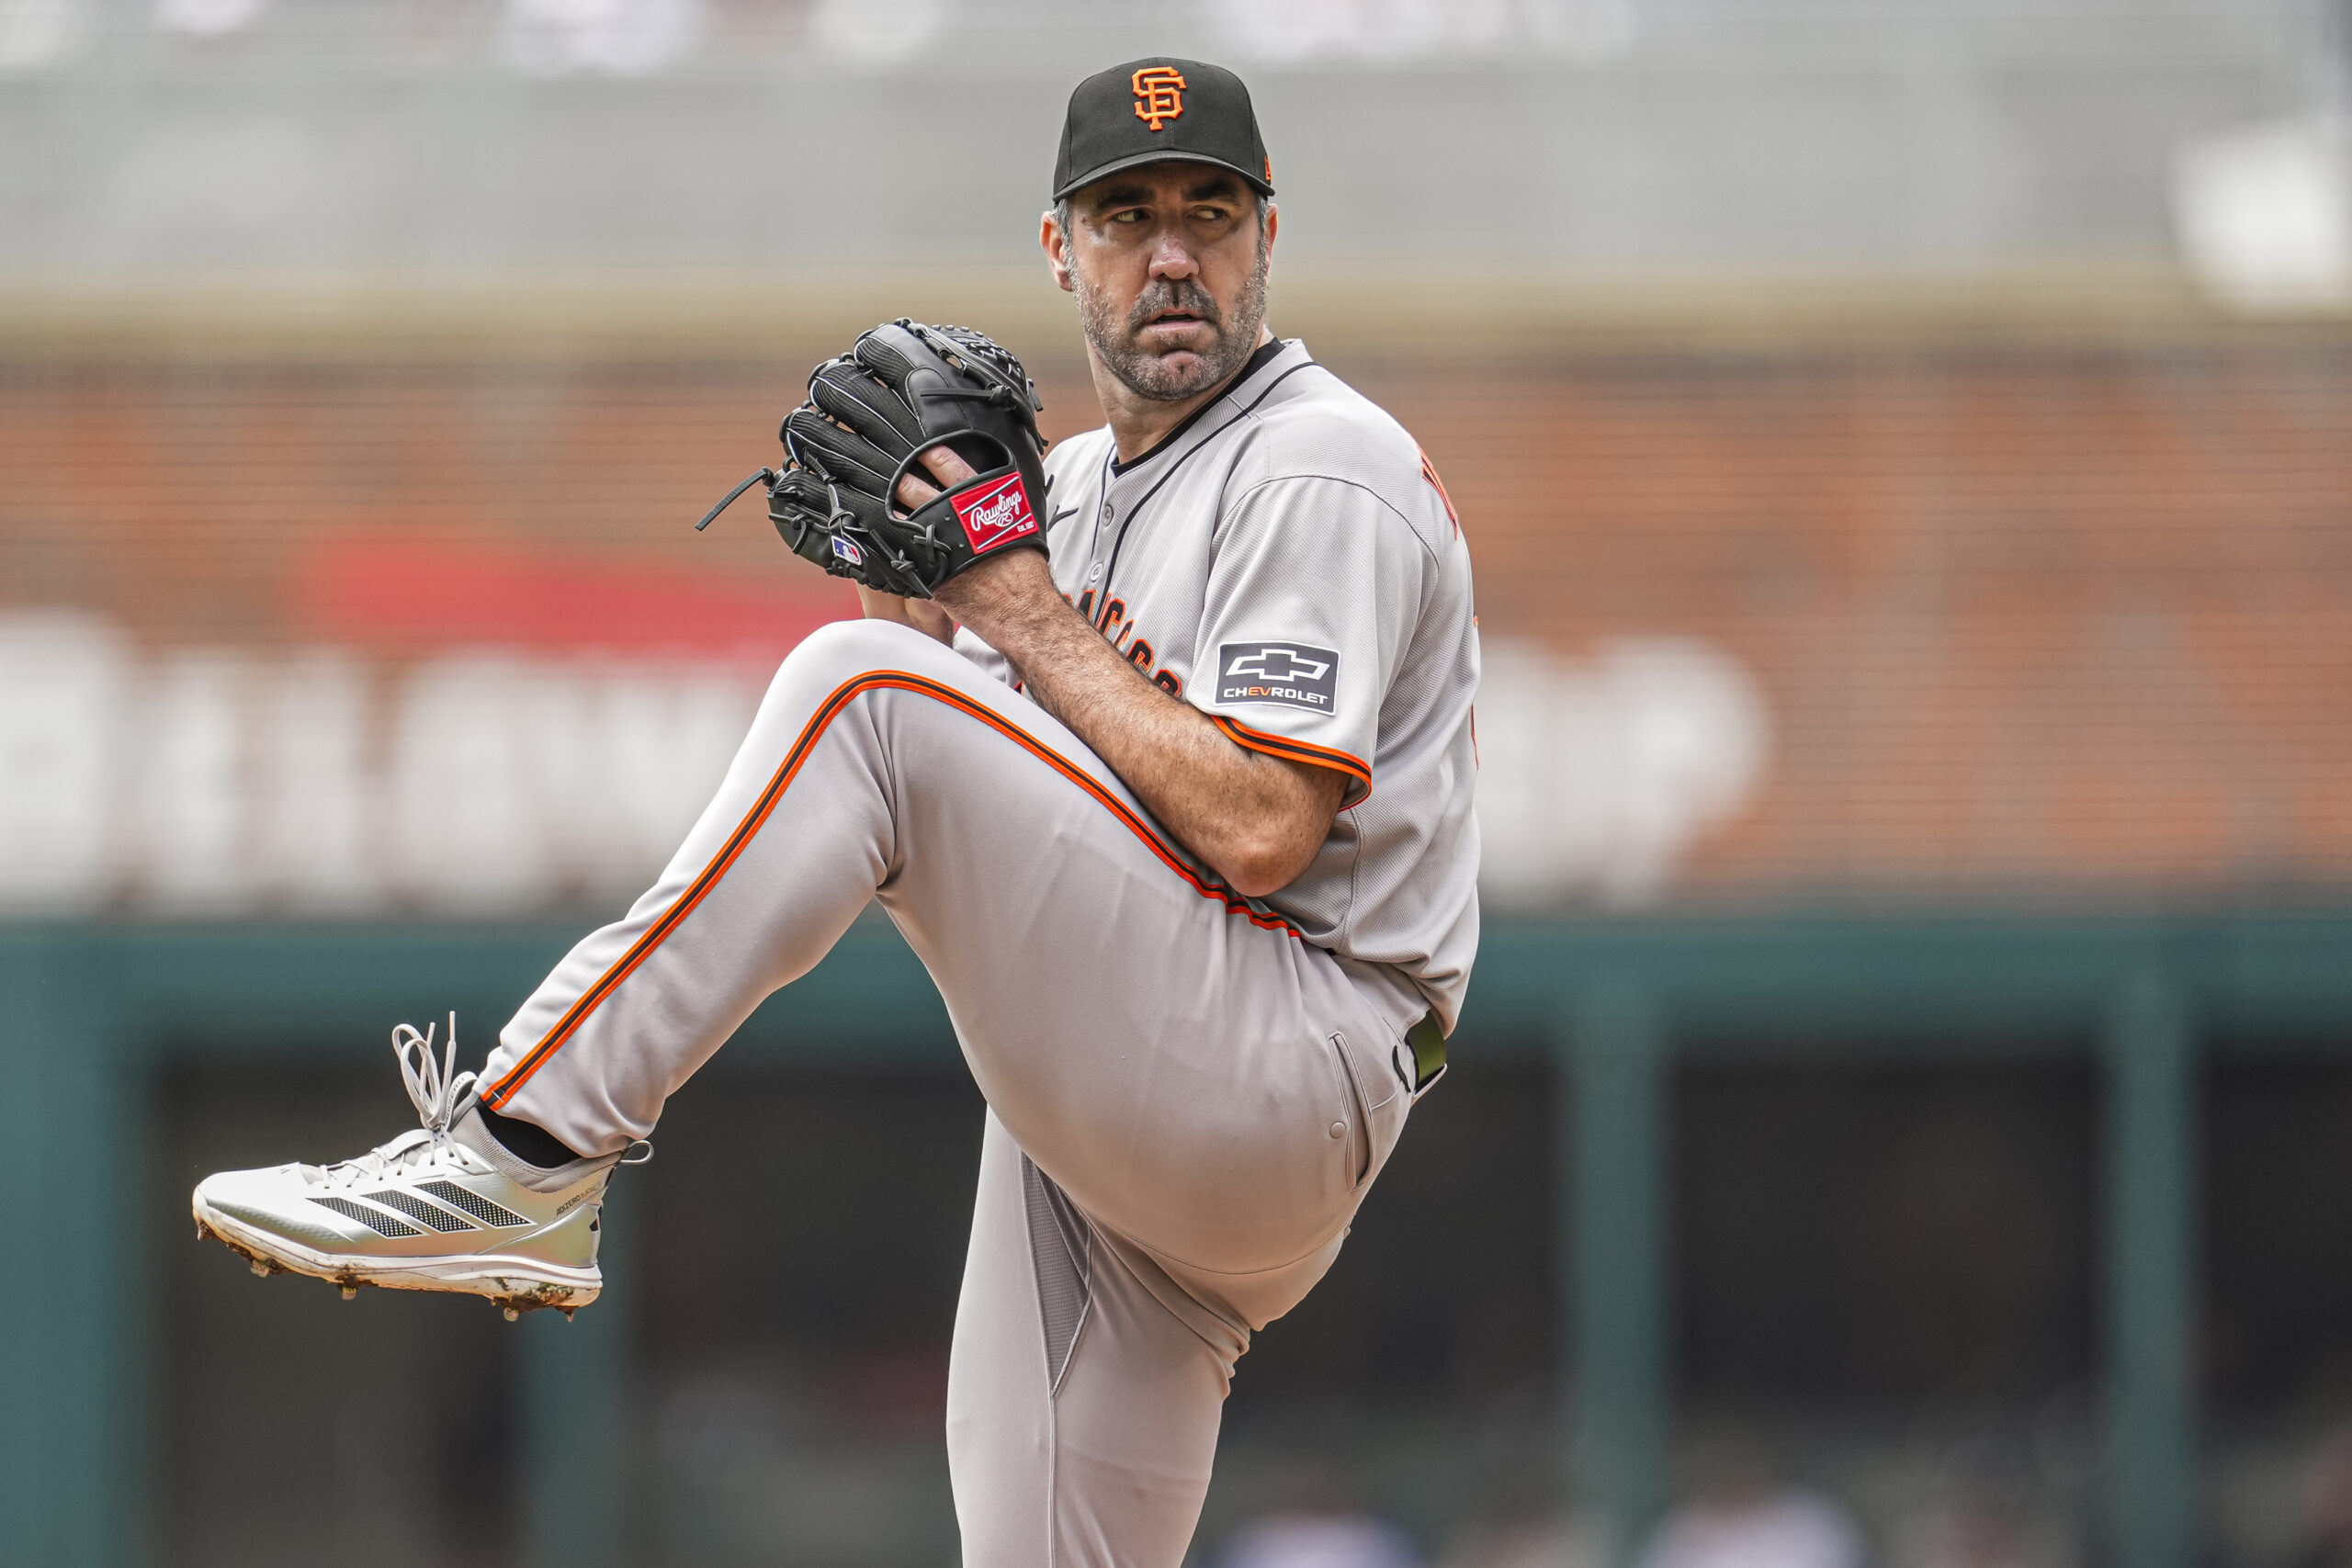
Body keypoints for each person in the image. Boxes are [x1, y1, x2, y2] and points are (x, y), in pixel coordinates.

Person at [193, 56, 1480, 1565]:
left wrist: (987, 596)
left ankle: (521, 1151)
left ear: (1270, 236)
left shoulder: (1321, 461)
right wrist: (910, 574)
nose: (1173, 255)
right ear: (1062, 250)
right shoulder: (1069, 486)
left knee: (856, 693)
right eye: (1127, 218)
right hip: (1143, 1139)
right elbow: (975, 777)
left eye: (1210, 212)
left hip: (1291, 1049)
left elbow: (1263, 824)